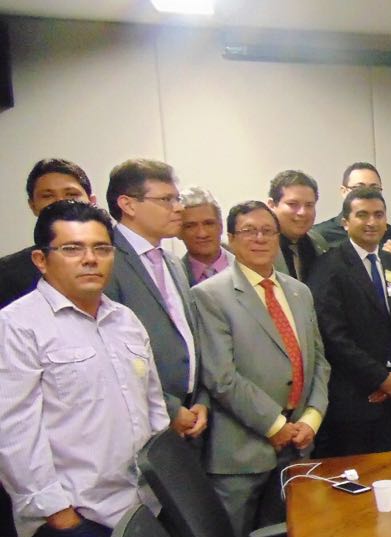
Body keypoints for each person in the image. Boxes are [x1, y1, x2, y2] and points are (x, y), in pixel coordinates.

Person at [0, 200, 168, 537]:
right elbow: (13, 430)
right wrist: (59, 515)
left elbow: (154, 408)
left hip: (142, 510)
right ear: (41, 260)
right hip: (76, 525)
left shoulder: (125, 320)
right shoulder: (17, 325)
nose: (90, 259)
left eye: (101, 248)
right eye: (72, 249)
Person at [192, 200, 328, 537]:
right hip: (242, 450)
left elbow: (319, 361)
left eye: (268, 231)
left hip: (298, 443)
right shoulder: (210, 295)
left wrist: (311, 418)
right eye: (249, 231)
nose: (260, 238)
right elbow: (221, 377)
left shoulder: (299, 291)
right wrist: (275, 425)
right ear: (231, 239)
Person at [307, 188, 391, 457]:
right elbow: (332, 335)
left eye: (378, 215)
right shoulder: (329, 267)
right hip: (355, 401)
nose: (372, 222)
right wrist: (380, 378)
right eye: (362, 215)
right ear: (345, 222)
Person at [103, 158, 208, 439]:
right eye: (166, 199)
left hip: (192, 413)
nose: (179, 208)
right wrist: (170, 409)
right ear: (128, 205)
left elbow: (190, 336)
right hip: (138, 419)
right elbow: (113, 353)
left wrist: (202, 400)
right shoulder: (106, 260)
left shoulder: (172, 262)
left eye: (177, 199)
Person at [0, 159, 97, 309]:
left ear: (92, 201)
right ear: (32, 205)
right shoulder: (7, 273)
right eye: (47, 196)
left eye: (71, 194)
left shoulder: (121, 261)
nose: (60, 202)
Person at [311, 162, 391, 248]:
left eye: (374, 188)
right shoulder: (320, 235)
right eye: (359, 188)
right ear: (344, 191)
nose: (367, 194)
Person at [266, 170, 325, 282]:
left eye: (309, 205)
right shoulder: (257, 246)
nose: (302, 212)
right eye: (292, 204)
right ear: (272, 205)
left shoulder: (318, 242)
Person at [177, 186, 232, 285]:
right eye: (191, 226)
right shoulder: (174, 278)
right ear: (178, 232)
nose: (202, 234)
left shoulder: (247, 267)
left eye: (208, 224)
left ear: (221, 226)